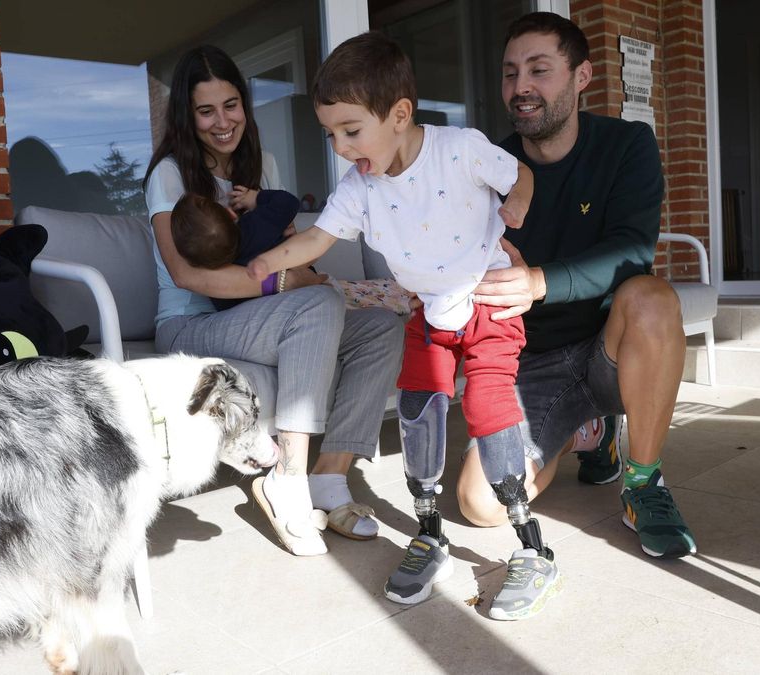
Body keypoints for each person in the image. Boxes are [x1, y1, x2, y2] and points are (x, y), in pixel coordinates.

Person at [246, 32, 557, 622]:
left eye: (351, 130)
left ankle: (532, 545)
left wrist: (515, 204)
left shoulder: (461, 149)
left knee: (488, 409)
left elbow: (522, 174)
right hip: (429, 311)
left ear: (400, 115)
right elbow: (318, 238)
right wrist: (271, 261)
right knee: (419, 410)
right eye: (330, 134)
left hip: (487, 302)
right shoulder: (360, 187)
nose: (340, 147)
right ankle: (430, 531)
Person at [142, 45, 404, 556]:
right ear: (186, 116)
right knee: (321, 305)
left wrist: (290, 272)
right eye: (206, 110)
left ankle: (330, 478)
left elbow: (283, 247)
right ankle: (286, 476)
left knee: (381, 327)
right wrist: (282, 285)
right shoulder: (170, 175)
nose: (223, 122)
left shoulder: (266, 169)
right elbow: (186, 273)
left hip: (252, 318)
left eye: (231, 105)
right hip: (189, 326)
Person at [457, 11, 696, 565]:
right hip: (533, 361)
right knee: (481, 505)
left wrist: (538, 280)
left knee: (653, 297)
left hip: (611, 350)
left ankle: (642, 484)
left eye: (540, 70)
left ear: (582, 76)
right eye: (511, 73)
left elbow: (632, 251)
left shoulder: (628, 145)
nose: (522, 88)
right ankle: (586, 432)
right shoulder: (485, 168)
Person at [170, 188, 299, 310]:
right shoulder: (254, 225)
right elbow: (289, 202)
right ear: (231, 214)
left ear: (192, 262)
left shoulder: (218, 293)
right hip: (300, 284)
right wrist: (255, 197)